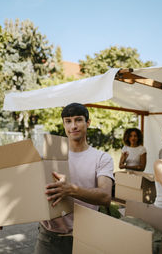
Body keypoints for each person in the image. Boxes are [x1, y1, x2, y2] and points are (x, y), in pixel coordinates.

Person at [34, 103, 114, 254]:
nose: (73, 126)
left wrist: (70, 189)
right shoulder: (51, 153)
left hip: (85, 236)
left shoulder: (102, 158)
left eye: (78, 120)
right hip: (48, 238)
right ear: (63, 124)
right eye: (68, 121)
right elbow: (26, 186)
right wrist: (3, 215)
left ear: (88, 122)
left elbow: (105, 197)